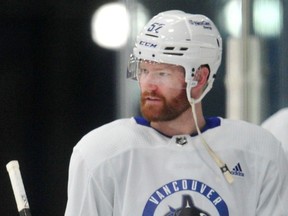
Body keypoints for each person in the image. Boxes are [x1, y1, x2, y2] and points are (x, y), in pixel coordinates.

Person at [65, 10, 288, 215]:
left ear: (199, 78)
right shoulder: (101, 152)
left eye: (162, 73)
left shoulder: (258, 151)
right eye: (144, 70)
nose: (148, 84)